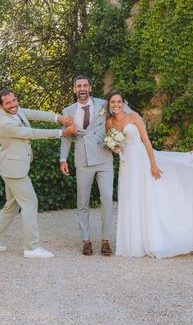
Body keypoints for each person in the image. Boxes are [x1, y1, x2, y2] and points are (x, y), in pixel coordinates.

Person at [106, 90, 193, 258]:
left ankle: (152, 240)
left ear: (123, 103)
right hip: (126, 163)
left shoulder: (134, 117)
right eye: (112, 102)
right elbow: (114, 142)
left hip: (141, 159)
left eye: (118, 102)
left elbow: (146, 141)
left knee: (146, 196)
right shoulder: (109, 122)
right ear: (109, 105)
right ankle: (132, 243)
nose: (116, 105)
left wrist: (153, 164)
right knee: (130, 197)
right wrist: (114, 148)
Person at [0, 89, 75, 258]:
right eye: (8, 103)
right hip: (13, 170)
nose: (12, 104)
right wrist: (61, 132)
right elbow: (32, 133)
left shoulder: (17, 111)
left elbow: (35, 113)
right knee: (30, 203)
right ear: (1, 106)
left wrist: (57, 118)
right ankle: (31, 248)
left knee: (11, 206)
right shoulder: (5, 123)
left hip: (12, 167)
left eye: (14, 100)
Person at [59, 75, 130, 256]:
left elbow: (123, 111)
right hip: (82, 160)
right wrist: (63, 159)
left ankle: (106, 241)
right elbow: (66, 136)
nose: (82, 88)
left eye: (85, 85)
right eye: (78, 86)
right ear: (74, 89)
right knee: (82, 202)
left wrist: (126, 131)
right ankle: (86, 240)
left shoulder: (103, 104)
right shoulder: (67, 111)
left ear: (90, 88)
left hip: (104, 157)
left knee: (107, 198)